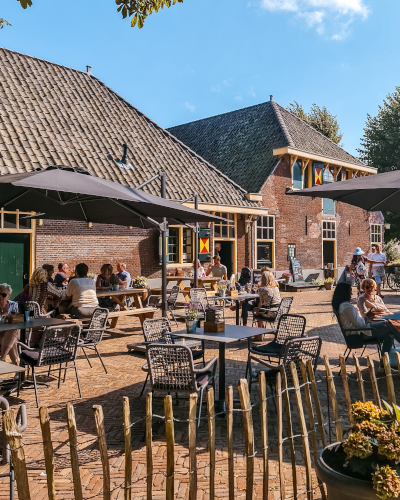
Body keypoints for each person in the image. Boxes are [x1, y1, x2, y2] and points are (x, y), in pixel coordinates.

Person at [333, 282, 400, 371]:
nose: (351, 294)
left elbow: (357, 321)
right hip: (359, 333)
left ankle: (384, 365)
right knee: (388, 325)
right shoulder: (346, 307)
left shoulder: (342, 306)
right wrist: (366, 317)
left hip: (361, 330)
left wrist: (366, 317)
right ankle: (384, 364)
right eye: (350, 291)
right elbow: (359, 323)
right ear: (344, 293)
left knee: (389, 334)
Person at [0, 283, 20, 365]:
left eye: (3, 294)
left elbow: (18, 320)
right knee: (13, 341)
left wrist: (11, 317)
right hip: (1, 332)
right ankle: (17, 369)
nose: (0, 296)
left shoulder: (14, 305)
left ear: (9, 295)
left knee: (13, 330)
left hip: (12, 331)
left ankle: (2, 359)